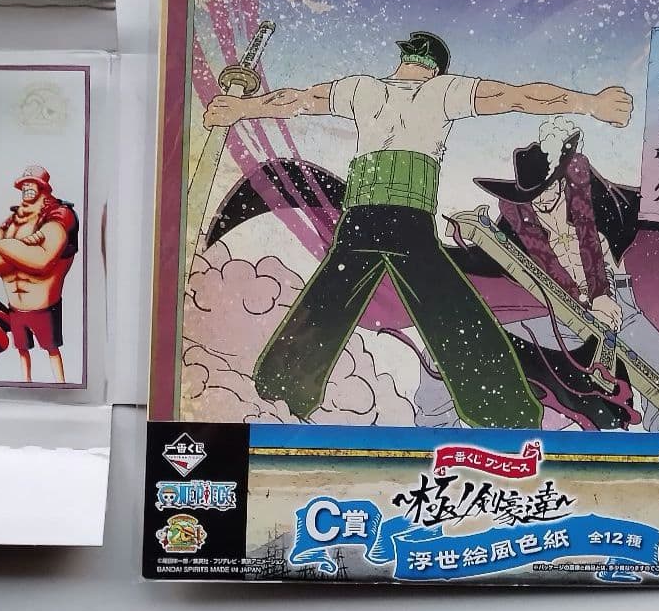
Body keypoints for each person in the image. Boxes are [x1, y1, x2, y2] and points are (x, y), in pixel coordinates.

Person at [203, 30, 633, 426]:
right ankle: (505, 410)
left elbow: (298, 99)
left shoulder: (361, 89)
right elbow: (517, 97)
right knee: (453, 311)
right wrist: (590, 102)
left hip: (361, 218)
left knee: (328, 300)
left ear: (404, 60)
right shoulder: (441, 92)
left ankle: (279, 390)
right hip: (407, 221)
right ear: (437, 68)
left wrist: (241, 109)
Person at [474, 119, 659, 431]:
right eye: (533, 196)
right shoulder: (517, 219)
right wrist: (474, 230)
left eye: (547, 189)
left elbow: (626, 222)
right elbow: (489, 263)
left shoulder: (593, 198)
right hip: (561, 313)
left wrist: (604, 297)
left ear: (560, 180)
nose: (542, 200)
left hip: (616, 304)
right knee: (498, 344)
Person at [0, 166, 79, 383]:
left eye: (32, 183)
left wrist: (3, 246)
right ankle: (26, 383)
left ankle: (61, 385)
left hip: (43, 307)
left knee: (52, 350)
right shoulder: (12, 221)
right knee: (22, 351)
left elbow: (42, 260)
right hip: (16, 308)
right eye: (23, 184)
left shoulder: (58, 215)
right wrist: (21, 250)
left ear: (43, 187)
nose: (26, 186)